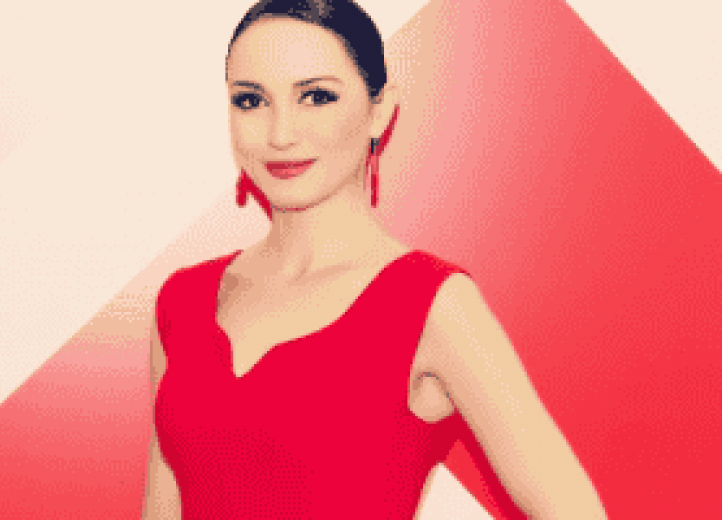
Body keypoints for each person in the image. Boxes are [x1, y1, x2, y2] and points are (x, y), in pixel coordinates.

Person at [142, 1, 608, 518]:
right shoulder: (181, 302)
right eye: (251, 100)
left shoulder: (431, 303)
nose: (280, 133)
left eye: (316, 96)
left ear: (380, 110)